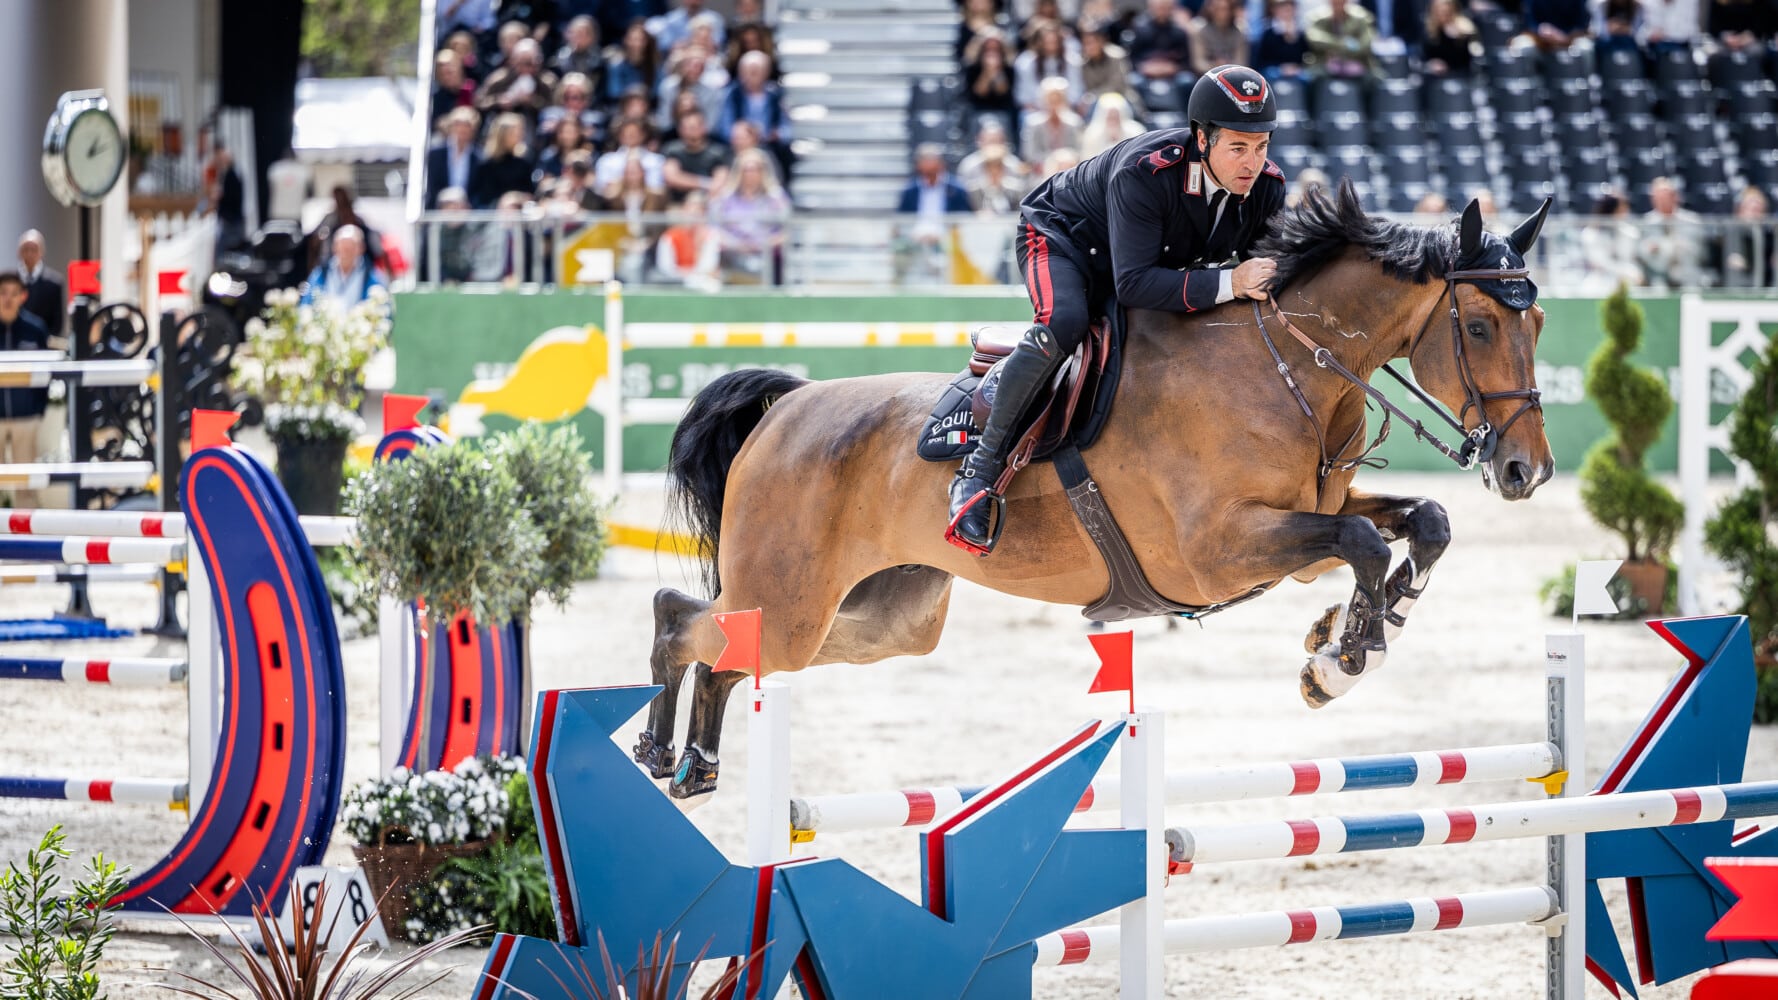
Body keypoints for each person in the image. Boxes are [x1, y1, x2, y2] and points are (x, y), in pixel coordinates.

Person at [946, 65, 1287, 553]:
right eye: (1238, 147)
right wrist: (1231, 281)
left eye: (1261, 146)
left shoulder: (1267, 187)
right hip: (1060, 237)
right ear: (1202, 139)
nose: (1252, 163)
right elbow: (1133, 284)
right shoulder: (1147, 172)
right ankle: (977, 471)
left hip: (1136, 258)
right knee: (1065, 321)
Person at [0, 271, 51, 508]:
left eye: (13, 293)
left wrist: (38, 409)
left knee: (26, 483)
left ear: (23, 296)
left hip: (26, 418)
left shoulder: (35, 329)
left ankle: (26, 538)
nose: (8, 299)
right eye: (3, 293)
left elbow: (46, 373)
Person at [710, 148, 790, 283]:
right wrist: (737, 245)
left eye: (755, 169)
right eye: (746, 169)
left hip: (767, 256)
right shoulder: (726, 196)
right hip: (732, 254)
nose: (750, 174)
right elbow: (713, 228)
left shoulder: (775, 196)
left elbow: (788, 229)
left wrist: (765, 244)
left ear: (763, 171)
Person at [716, 51, 793, 180]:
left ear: (766, 72)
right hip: (738, 145)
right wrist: (743, 136)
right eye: (748, 71)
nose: (751, 76)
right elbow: (725, 127)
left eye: (756, 71)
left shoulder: (775, 95)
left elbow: (786, 129)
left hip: (768, 145)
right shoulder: (732, 94)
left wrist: (778, 134)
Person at [1638, 176, 1705, 289]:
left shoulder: (1692, 220)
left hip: (1687, 275)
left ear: (1675, 197)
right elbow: (1641, 252)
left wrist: (1678, 246)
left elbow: (1701, 253)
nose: (1661, 201)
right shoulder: (1646, 222)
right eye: (1658, 197)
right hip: (1657, 275)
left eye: (1665, 196)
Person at [302, 225, 385, 307]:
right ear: (334, 247)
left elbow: (381, 306)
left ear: (361, 248)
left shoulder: (372, 276)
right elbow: (306, 305)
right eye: (342, 245)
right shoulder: (321, 273)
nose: (346, 250)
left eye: (351, 246)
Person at [662, 108, 732, 201]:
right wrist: (705, 183)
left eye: (693, 128)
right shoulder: (672, 150)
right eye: (685, 128)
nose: (689, 132)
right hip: (677, 204)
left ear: (704, 128)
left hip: (707, 203)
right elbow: (671, 178)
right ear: (680, 130)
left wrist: (687, 182)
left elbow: (719, 182)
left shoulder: (718, 152)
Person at [1014, 20, 1085, 111]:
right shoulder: (1026, 62)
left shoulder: (1072, 60)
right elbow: (1024, 94)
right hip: (1035, 110)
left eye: (1054, 42)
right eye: (1047, 42)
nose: (1051, 46)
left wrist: (1060, 107)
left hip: (1066, 109)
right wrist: (1045, 107)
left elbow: (1076, 90)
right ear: (1039, 43)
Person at [655, 189, 722, 286]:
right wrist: (687, 276)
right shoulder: (669, 237)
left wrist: (699, 245)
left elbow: (708, 267)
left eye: (699, 208)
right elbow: (665, 268)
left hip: (701, 282)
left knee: (713, 285)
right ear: (684, 209)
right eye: (690, 207)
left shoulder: (710, 236)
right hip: (675, 284)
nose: (694, 212)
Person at [471, 113, 537, 208]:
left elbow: (530, 192)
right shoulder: (487, 165)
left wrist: (517, 198)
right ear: (502, 135)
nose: (519, 135)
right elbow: (484, 195)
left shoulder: (524, 162)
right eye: (514, 132)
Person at [426, 107, 484, 209]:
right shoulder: (436, 154)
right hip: (440, 209)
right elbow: (432, 186)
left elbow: (478, 190)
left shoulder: (479, 157)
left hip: (468, 211)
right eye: (458, 125)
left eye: (467, 126)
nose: (462, 130)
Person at [1717, 185, 1773, 288]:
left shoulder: (1769, 236)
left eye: (1759, 209)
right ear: (1740, 210)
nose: (1755, 214)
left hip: (1765, 286)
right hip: (1736, 287)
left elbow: (1767, 265)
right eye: (1751, 209)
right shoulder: (1730, 231)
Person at [1078, 19, 1139, 111]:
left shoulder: (1117, 55)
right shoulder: (1083, 62)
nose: (1090, 47)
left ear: (1101, 42)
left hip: (1121, 98)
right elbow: (1087, 87)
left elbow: (1117, 85)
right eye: (1086, 43)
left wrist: (1094, 95)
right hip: (1095, 104)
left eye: (1092, 42)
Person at [1126, 0, 1195, 81]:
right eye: (1159, 7)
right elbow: (1132, 58)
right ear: (1151, 7)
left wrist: (1175, 67)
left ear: (1171, 8)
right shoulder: (1139, 29)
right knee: (1134, 80)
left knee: (1187, 80)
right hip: (1145, 71)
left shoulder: (1179, 31)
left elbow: (1186, 60)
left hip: (1174, 73)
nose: (1162, 11)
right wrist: (1143, 67)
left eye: (1165, 7)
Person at [1307, 0, 1379, 77]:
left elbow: (1366, 43)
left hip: (1358, 64)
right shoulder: (1318, 17)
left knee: (1376, 79)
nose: (1338, 3)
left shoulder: (1361, 17)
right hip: (1324, 65)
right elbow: (1314, 38)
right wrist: (1342, 44)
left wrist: (1347, 52)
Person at [17, 231, 64, 342]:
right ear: (19, 252)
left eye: (33, 250)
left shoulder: (54, 282)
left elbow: (57, 322)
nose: (29, 254)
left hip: (42, 345)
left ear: (41, 252)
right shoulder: (11, 282)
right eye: (25, 249)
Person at [1191, 0, 1252, 75]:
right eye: (1217, 8)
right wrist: (1216, 66)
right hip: (1206, 76)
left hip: (1233, 75)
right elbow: (1198, 63)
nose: (1221, 13)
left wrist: (1226, 66)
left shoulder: (1240, 31)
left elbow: (1241, 63)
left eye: (1225, 9)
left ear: (1232, 10)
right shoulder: (1200, 31)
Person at [1078, 91, 1146, 156]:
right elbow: (1088, 160)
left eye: (1116, 117)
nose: (1113, 121)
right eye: (1110, 118)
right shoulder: (1091, 135)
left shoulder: (1136, 132)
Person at [1255, 0, 1310, 79]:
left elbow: (1304, 56)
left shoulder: (1300, 33)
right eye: (1283, 9)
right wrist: (1282, 69)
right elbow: (1263, 59)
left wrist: (1293, 40)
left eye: (1290, 9)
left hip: (1295, 70)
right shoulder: (1268, 32)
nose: (1287, 13)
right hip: (1273, 69)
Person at [1422, 0, 1479, 74]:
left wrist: (1459, 37)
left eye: (1446, 13)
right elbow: (1425, 56)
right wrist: (1432, 63)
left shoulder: (1465, 27)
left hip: (1463, 72)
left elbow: (1474, 51)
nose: (1443, 16)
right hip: (1438, 75)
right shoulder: (1429, 29)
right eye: (1439, 12)